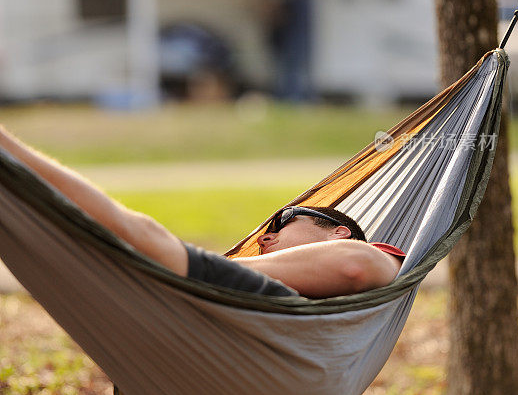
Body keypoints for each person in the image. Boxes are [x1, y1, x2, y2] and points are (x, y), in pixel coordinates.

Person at [0, 125, 405, 299]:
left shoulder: (374, 255)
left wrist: (204, 270)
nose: (264, 239)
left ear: (338, 232)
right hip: (217, 315)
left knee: (136, 232)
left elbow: (357, 264)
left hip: (224, 303)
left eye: (283, 221)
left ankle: (11, 150)